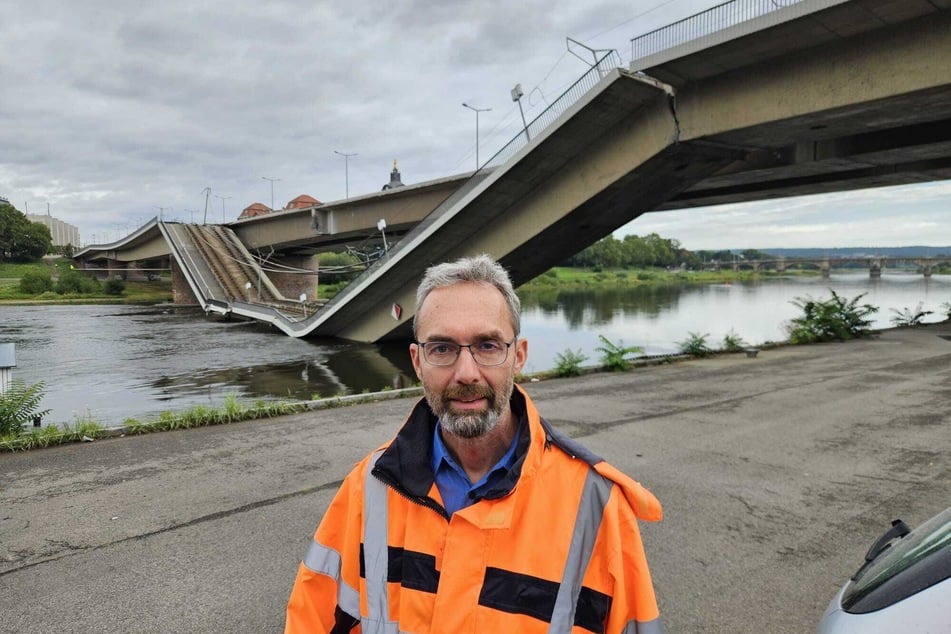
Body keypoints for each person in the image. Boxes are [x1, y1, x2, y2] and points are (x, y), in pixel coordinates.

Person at [285, 254, 663, 634]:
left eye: (487, 345)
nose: (466, 374)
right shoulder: (370, 488)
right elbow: (312, 620)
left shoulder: (597, 505)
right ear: (417, 362)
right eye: (442, 348)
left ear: (519, 356)